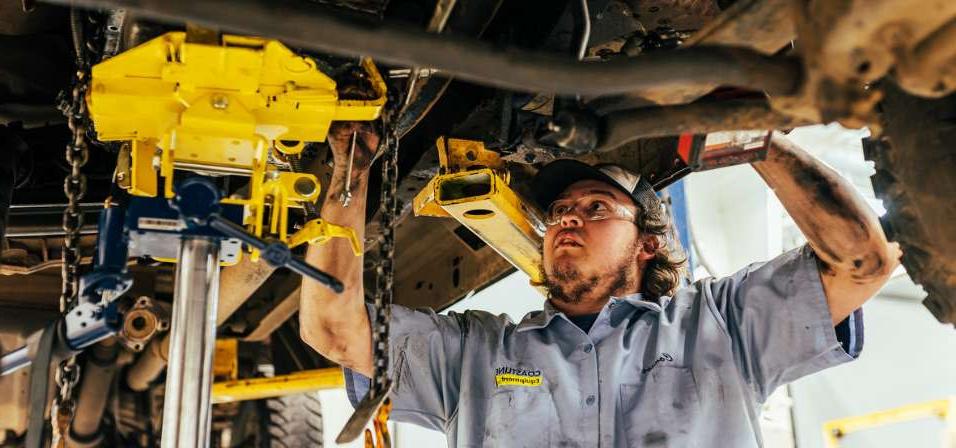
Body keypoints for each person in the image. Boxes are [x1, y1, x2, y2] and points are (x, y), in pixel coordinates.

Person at [299, 123, 900, 447]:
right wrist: (351, 166)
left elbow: (862, 263)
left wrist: (760, 142)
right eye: (560, 208)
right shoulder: (475, 355)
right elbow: (331, 328)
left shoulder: (723, 325)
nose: (568, 216)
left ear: (647, 244)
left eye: (596, 207)